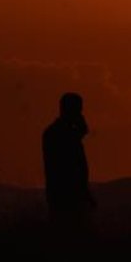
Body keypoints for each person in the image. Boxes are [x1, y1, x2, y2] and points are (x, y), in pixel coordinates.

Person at [43, 92, 95, 231]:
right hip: (66, 195)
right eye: (78, 110)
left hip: (63, 194)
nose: (80, 114)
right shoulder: (61, 133)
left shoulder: (55, 132)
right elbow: (70, 166)